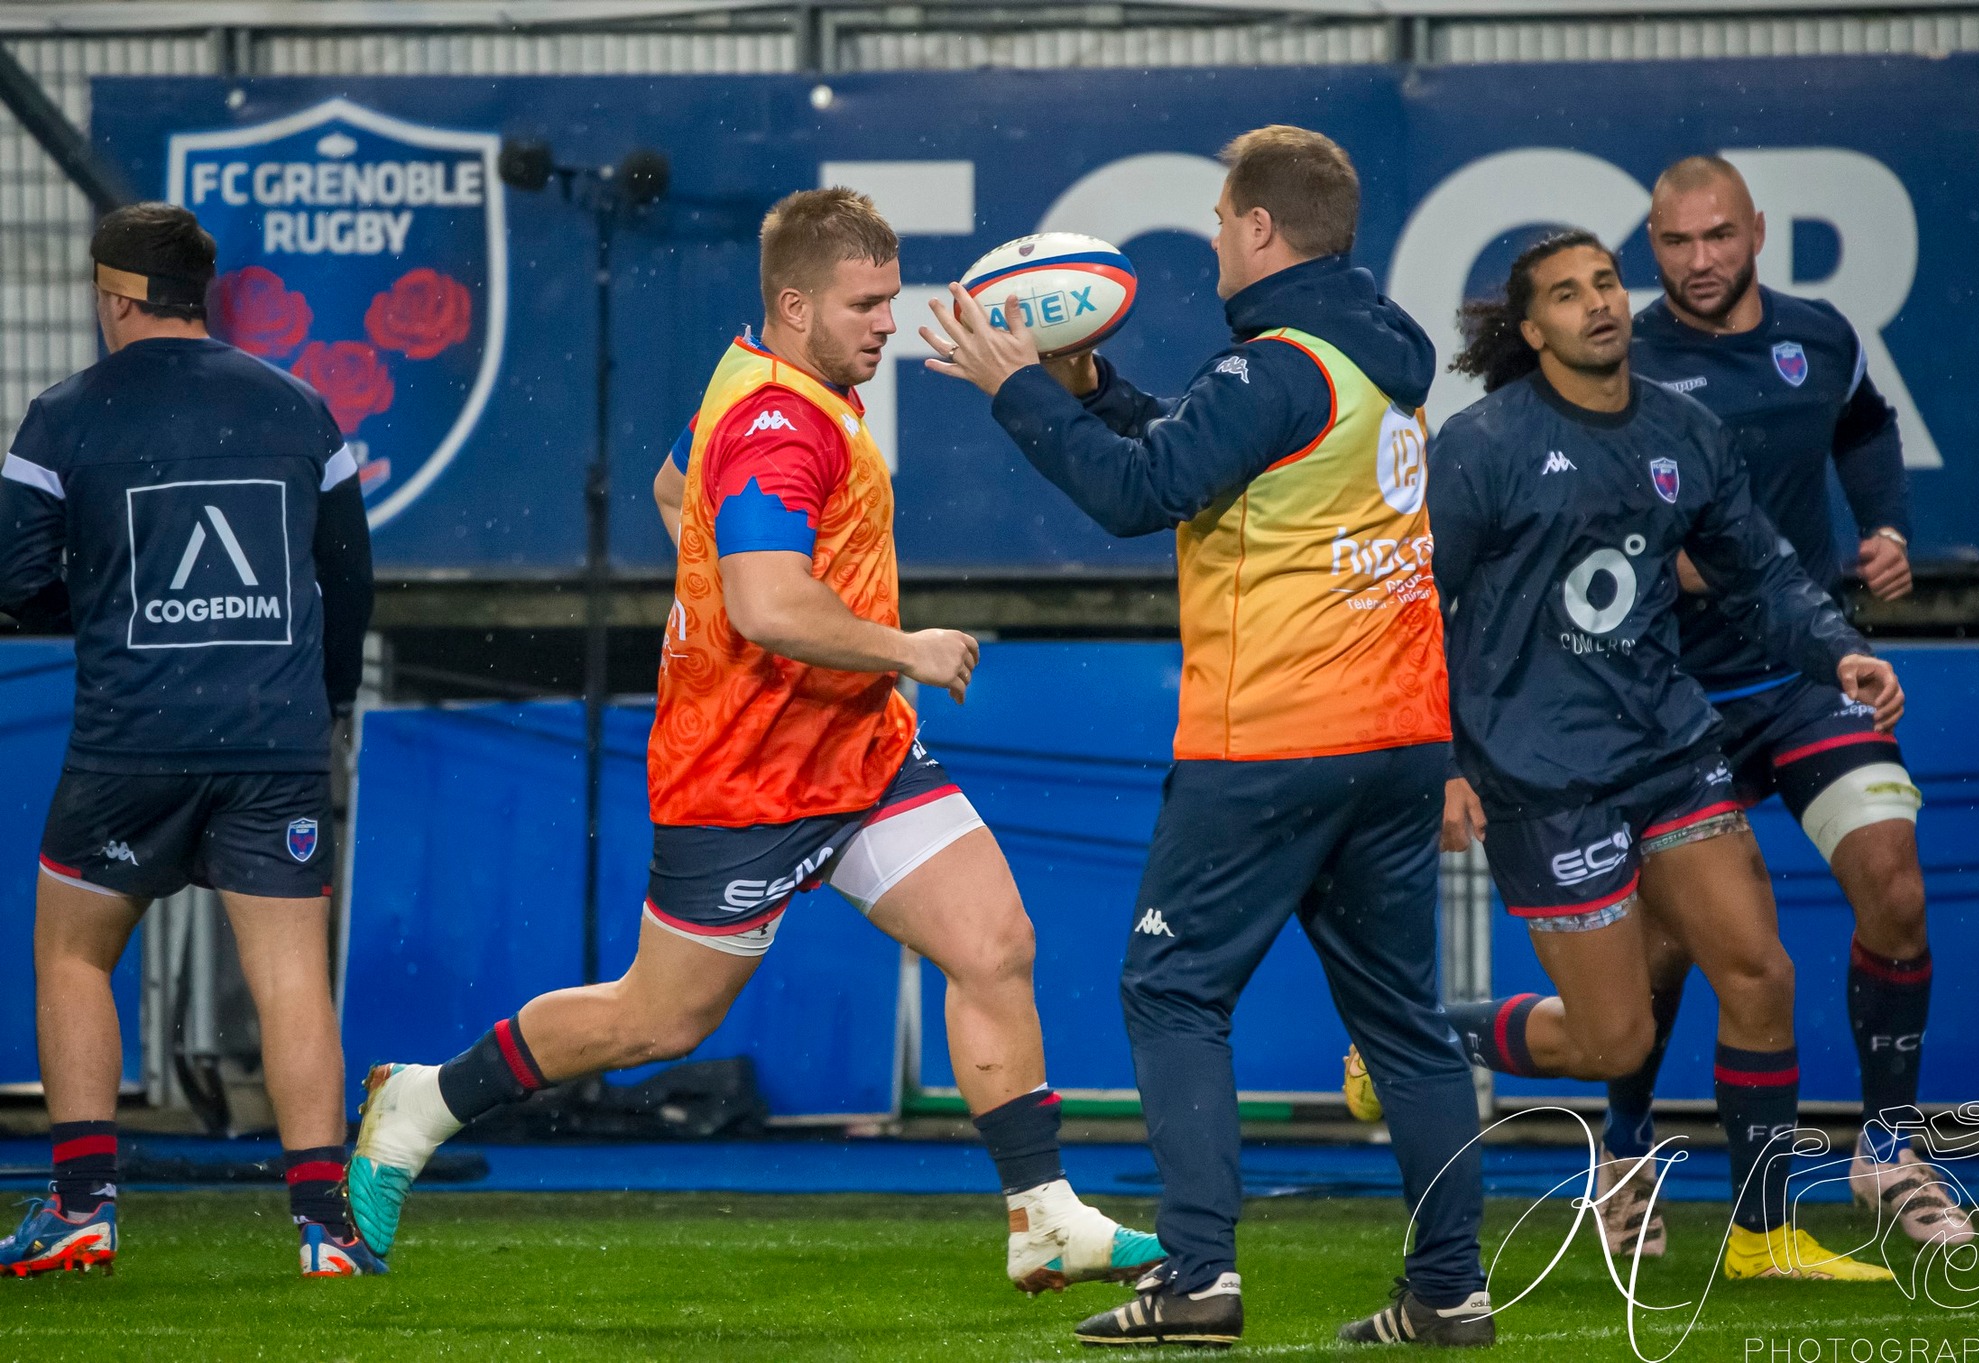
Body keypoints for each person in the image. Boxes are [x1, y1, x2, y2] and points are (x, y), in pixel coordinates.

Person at [346, 188, 1161, 1295]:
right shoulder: (778, 423)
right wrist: (902, 647)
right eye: (864, 304)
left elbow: (674, 483)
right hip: (744, 778)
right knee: (654, 1021)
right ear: (792, 303)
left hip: (858, 752)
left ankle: (1041, 1214)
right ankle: (424, 1099)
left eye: (887, 299)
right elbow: (771, 606)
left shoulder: (767, 374)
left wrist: (739, 591)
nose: (887, 322)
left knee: (993, 943)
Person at [925, 125, 1493, 1349]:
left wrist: (1013, 390)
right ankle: (1450, 1290)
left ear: (1255, 228)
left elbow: (1140, 494)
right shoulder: (1369, 361)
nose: (1213, 245)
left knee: (1171, 987)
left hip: (1274, 738)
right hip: (1396, 738)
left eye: (1219, 221)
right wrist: (1090, 390)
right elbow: (1197, 450)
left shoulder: (1278, 365)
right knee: (1402, 1022)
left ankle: (1196, 1279)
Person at [1421, 230, 1904, 1283]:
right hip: (1541, 776)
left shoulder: (1685, 429)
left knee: (1757, 971)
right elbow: (1419, 610)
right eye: (1565, 293)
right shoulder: (1481, 443)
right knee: (1611, 1042)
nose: (1595, 303)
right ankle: (1420, 1035)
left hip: (1669, 747)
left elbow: (1760, 575)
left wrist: (1839, 653)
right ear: (1531, 328)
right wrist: (1443, 759)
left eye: (1603, 282)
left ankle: (1762, 1234)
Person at [0, 203, 379, 1277]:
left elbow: (12, 577)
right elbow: (346, 576)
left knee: (73, 954)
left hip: (130, 743)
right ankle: (325, 1227)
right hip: (276, 743)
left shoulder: (65, 416)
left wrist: (98, 601)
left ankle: (82, 1208)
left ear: (115, 296)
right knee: (292, 979)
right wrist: (328, 698)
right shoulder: (300, 406)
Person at [1601, 154, 1970, 1254]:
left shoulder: (1820, 335)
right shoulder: (1619, 361)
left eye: (1717, 236)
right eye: (1674, 242)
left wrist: (1886, 524)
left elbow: (1860, 424)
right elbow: (1597, 527)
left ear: (1756, 229)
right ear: (1649, 245)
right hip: (1671, 699)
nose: (1698, 260)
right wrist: (1695, 570)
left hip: (1805, 681)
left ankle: (1887, 1149)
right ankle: (1623, 1156)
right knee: (1666, 948)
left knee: (1894, 888)